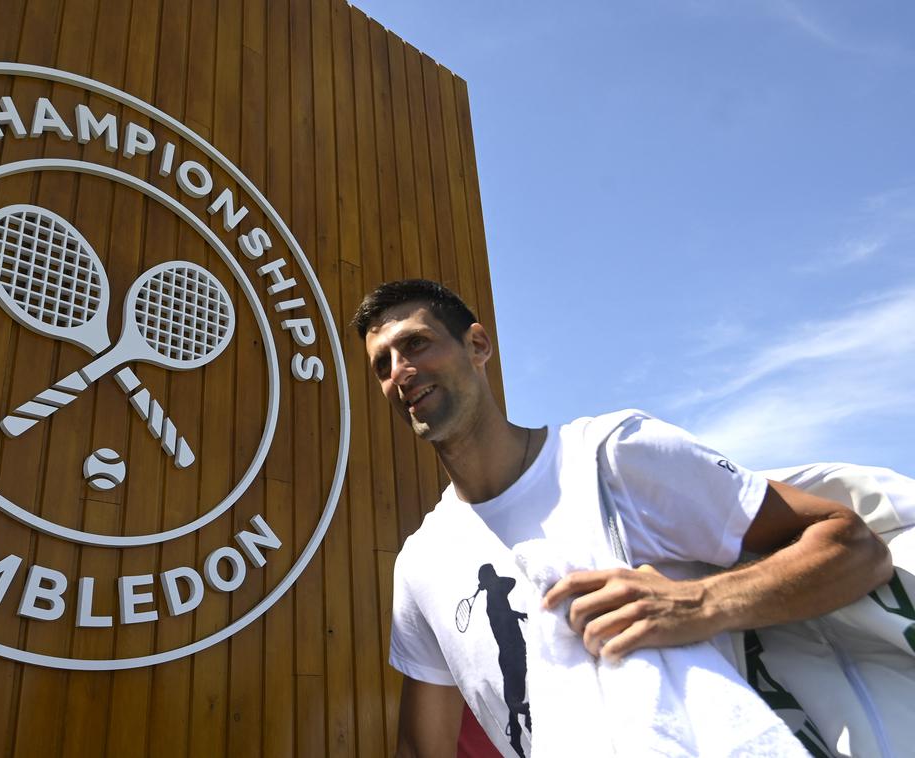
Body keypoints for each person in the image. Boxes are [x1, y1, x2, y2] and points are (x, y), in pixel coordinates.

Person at [349, 279, 893, 758]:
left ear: (477, 345)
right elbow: (423, 749)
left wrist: (703, 603)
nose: (401, 371)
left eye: (415, 343)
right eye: (382, 364)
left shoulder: (613, 455)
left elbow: (853, 546)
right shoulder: (422, 563)